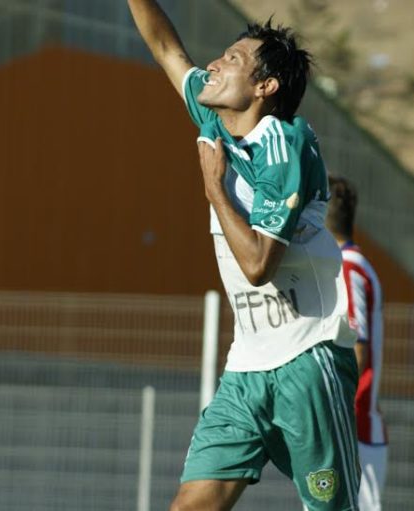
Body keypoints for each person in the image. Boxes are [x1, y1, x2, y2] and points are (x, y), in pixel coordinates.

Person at [127, 1, 360, 509]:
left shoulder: (283, 144)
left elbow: (258, 267)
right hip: (248, 364)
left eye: (232, 58)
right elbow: (167, 48)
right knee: (193, 502)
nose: (213, 64)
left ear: (265, 87)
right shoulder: (215, 119)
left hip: (308, 358)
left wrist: (214, 189)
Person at [327, 177, 388, 511]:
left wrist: (329, 411)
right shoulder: (353, 264)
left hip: (354, 427)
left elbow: (357, 349)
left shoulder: (347, 268)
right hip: (355, 427)